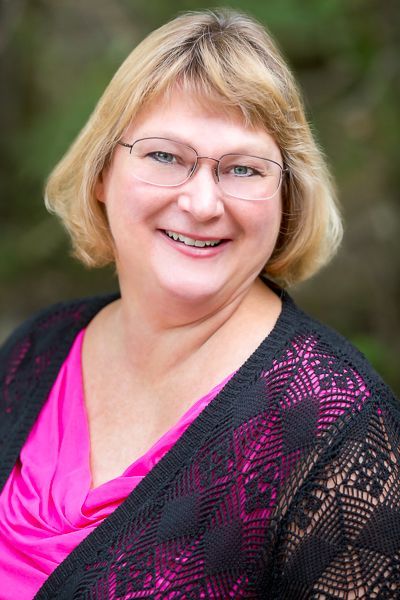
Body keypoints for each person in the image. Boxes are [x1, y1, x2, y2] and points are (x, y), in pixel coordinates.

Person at [0, 8, 399, 599]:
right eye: (165, 156)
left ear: (285, 198)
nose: (204, 202)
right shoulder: (36, 349)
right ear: (104, 172)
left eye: (242, 168)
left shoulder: (337, 425)